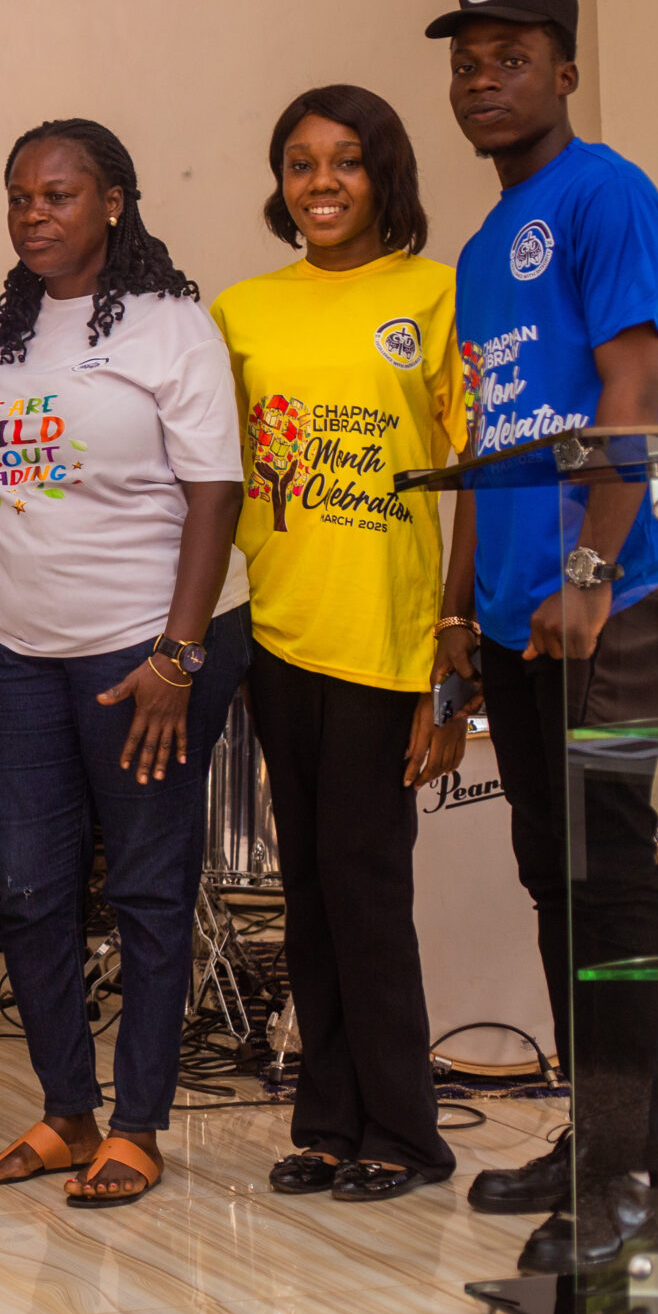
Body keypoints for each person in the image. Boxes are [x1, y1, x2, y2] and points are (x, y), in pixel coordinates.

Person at [426, 0, 658, 1272]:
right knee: (551, 873)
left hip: (611, 591)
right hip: (522, 608)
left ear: (565, 71)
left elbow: (635, 382)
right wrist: (463, 621)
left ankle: (629, 1185)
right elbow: (490, 438)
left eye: (512, 57)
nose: (484, 79)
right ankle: (594, 1141)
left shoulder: (606, 193)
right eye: (467, 61)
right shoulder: (482, 248)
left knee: (607, 877)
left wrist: (592, 566)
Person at [0, 118, 249, 1209]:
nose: (33, 213)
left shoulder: (172, 325)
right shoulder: (12, 331)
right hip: (18, 651)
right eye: (19, 195)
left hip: (141, 652)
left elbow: (216, 492)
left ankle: (137, 1125)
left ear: (114, 202)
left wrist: (178, 653)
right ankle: (67, 1113)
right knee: (27, 890)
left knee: (145, 886)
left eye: (59, 194)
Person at [212, 86, 465, 1203]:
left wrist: (451, 649)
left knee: (367, 890)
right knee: (304, 893)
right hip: (280, 634)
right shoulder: (240, 311)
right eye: (300, 163)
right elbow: (218, 481)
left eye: (346, 161)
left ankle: (404, 1133)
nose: (321, 183)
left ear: (384, 175)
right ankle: (325, 1121)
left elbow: (474, 483)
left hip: (388, 641)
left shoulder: (435, 294)